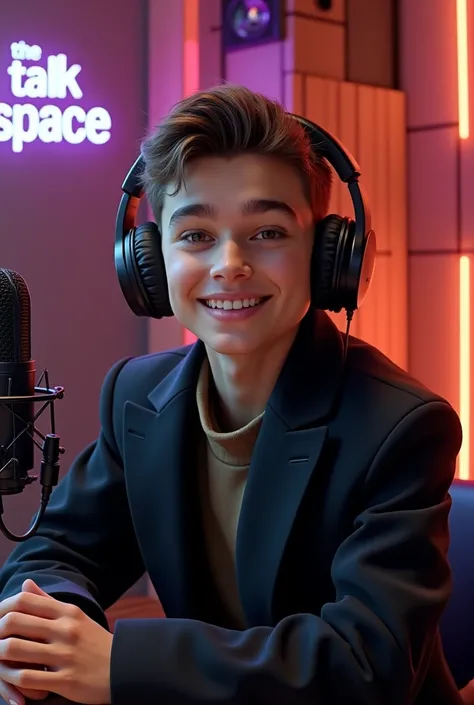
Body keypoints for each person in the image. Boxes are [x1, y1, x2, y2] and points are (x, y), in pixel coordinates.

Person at [0, 84, 465, 705]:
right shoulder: (137, 395)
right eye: (194, 236)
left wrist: (121, 663)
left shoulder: (401, 427)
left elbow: (365, 666)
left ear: (329, 257)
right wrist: (55, 630)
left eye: (268, 232)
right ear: (149, 262)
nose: (229, 263)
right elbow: (53, 550)